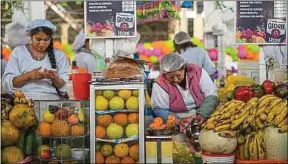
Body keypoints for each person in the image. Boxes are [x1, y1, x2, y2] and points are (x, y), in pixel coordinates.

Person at [151, 54, 218, 152]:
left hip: (203, 112)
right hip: (176, 118)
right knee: (180, 146)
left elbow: (212, 96)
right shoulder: (160, 83)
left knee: (209, 141)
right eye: (171, 77)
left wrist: (202, 115)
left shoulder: (198, 72)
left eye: (178, 75)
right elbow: (159, 109)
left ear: (184, 68)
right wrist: (179, 121)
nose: (175, 80)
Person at [2, 19, 70, 100]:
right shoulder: (19, 52)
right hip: (24, 101)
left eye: (46, 39)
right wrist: (28, 76)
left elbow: (63, 87)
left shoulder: (59, 55)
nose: (42, 43)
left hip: (51, 101)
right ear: (31, 36)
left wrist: (54, 78)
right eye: (38, 39)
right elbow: (8, 83)